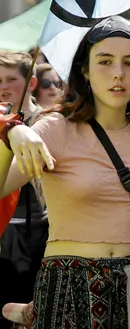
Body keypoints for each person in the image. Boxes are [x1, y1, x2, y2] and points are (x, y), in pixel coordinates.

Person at [0, 16, 130, 327]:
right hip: (69, 288)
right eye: (105, 62)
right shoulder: (55, 128)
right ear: (85, 70)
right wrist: (9, 131)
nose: (118, 74)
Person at [0, 52, 46, 329]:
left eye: (11, 79)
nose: (3, 86)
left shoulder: (48, 122)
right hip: (4, 233)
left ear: (30, 82)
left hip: (41, 233)